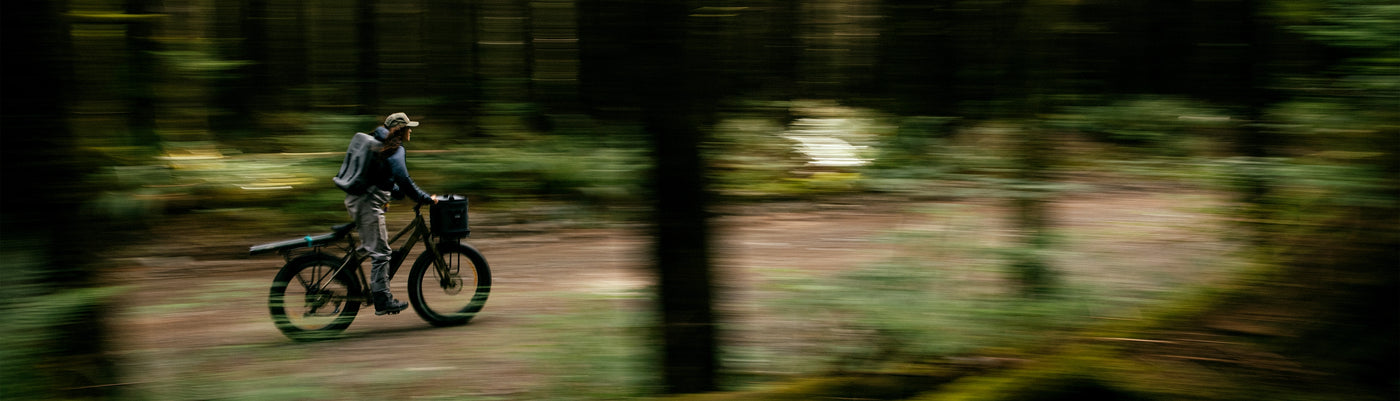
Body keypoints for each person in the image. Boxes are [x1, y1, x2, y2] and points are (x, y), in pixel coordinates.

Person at [346, 112, 438, 315]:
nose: (411, 130)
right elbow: (403, 178)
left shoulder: (381, 144)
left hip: (361, 200)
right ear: (400, 129)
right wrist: (423, 198)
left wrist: (395, 192)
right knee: (382, 253)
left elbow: (381, 175)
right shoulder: (395, 148)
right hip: (366, 203)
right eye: (408, 127)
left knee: (377, 243)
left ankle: (345, 271)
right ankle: (382, 300)